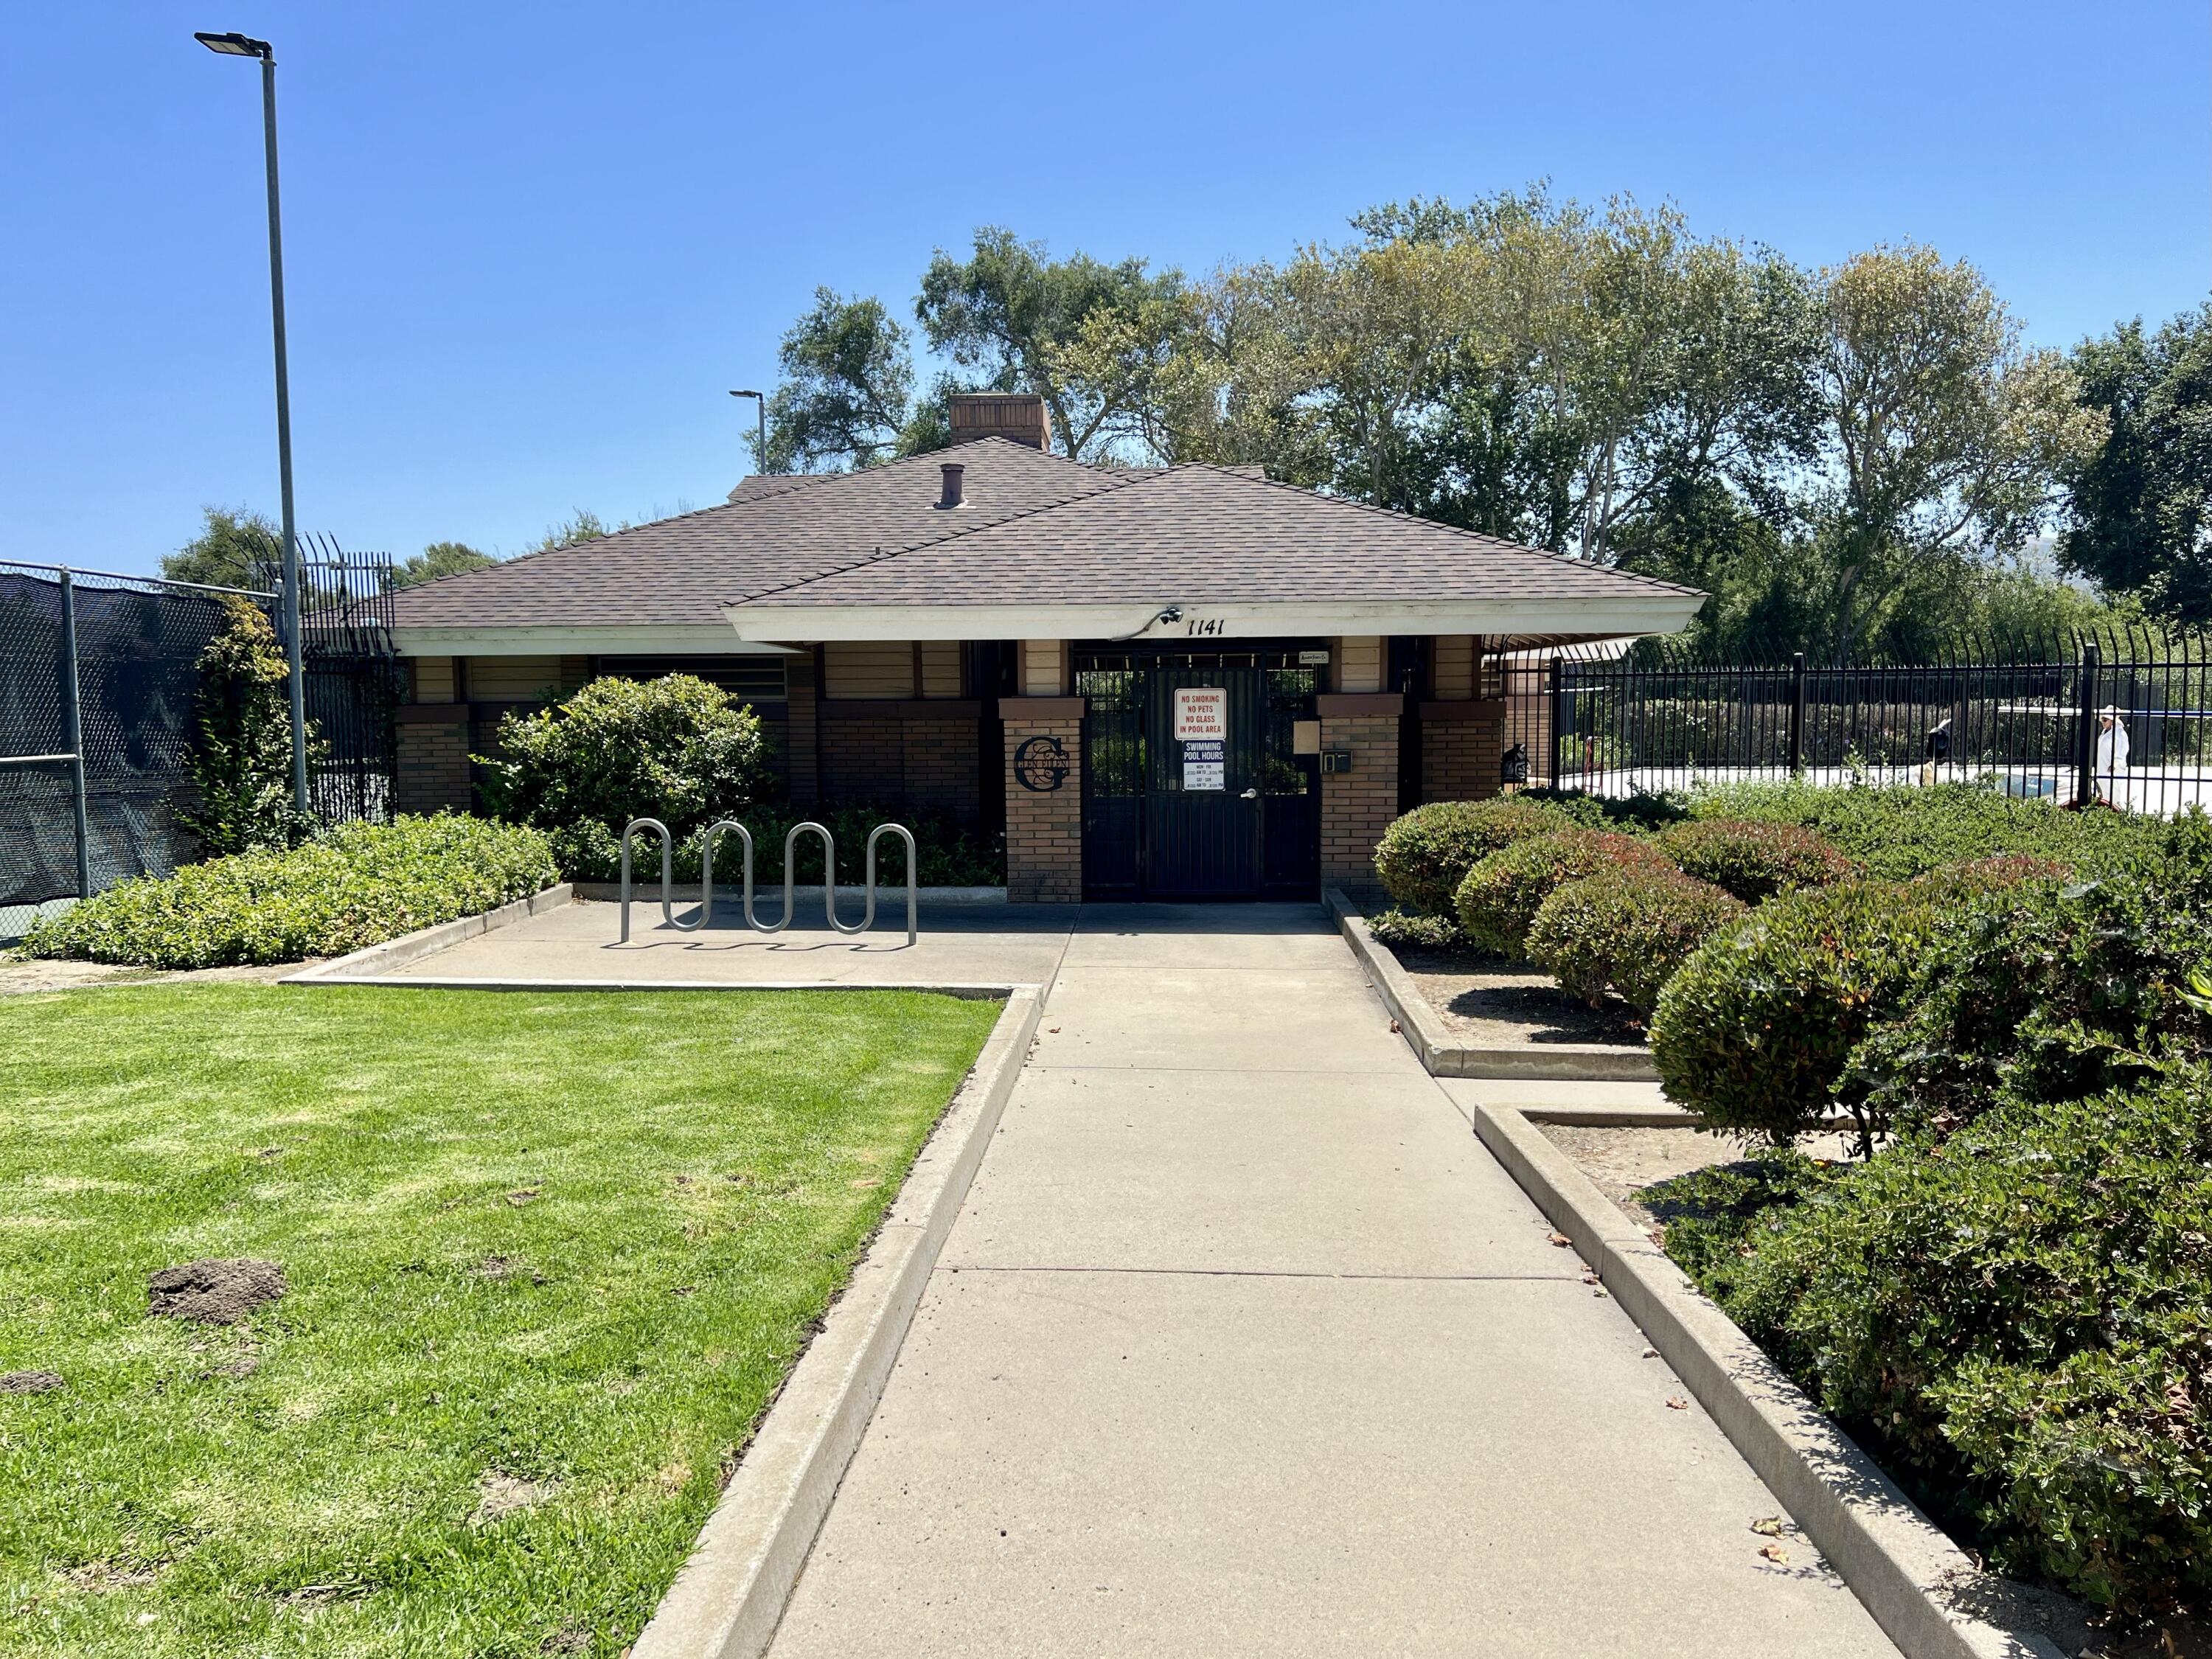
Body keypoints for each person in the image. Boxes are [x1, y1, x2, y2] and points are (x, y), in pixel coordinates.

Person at [2093, 706, 2130, 805]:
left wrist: (2115, 764)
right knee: (2104, 795)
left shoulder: (2120, 733)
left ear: (2112, 720)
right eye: (2102, 719)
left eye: (2105, 720)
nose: (2103, 722)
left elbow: (2122, 751)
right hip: (2103, 768)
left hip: (2113, 770)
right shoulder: (2105, 733)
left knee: (2113, 794)